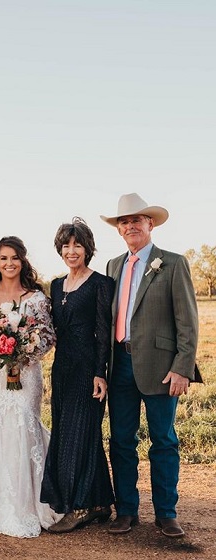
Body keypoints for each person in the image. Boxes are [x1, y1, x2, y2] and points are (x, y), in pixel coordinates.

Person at [100, 193, 199, 538]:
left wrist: (182, 367)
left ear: (150, 224)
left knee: (164, 441)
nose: (130, 226)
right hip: (120, 365)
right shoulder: (113, 266)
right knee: (121, 441)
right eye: (124, 222)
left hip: (161, 367)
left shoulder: (172, 263)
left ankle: (166, 513)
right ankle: (126, 511)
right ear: (119, 230)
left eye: (136, 220)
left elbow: (188, 320)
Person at [0, 236, 61, 538]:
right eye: (4, 258)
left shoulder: (35, 297)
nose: (9, 263)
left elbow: (48, 335)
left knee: (24, 423)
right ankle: (0, 499)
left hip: (28, 373)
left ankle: (33, 500)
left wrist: (25, 353)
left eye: (15, 258)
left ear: (23, 261)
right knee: (2, 424)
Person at [40, 217, 115, 533]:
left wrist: (101, 373)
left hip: (88, 371)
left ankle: (79, 506)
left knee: (78, 435)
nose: (72, 250)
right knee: (71, 433)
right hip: (62, 370)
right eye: (67, 245)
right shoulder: (56, 285)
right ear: (60, 249)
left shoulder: (101, 284)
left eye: (78, 245)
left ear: (88, 248)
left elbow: (103, 331)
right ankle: (99, 504)